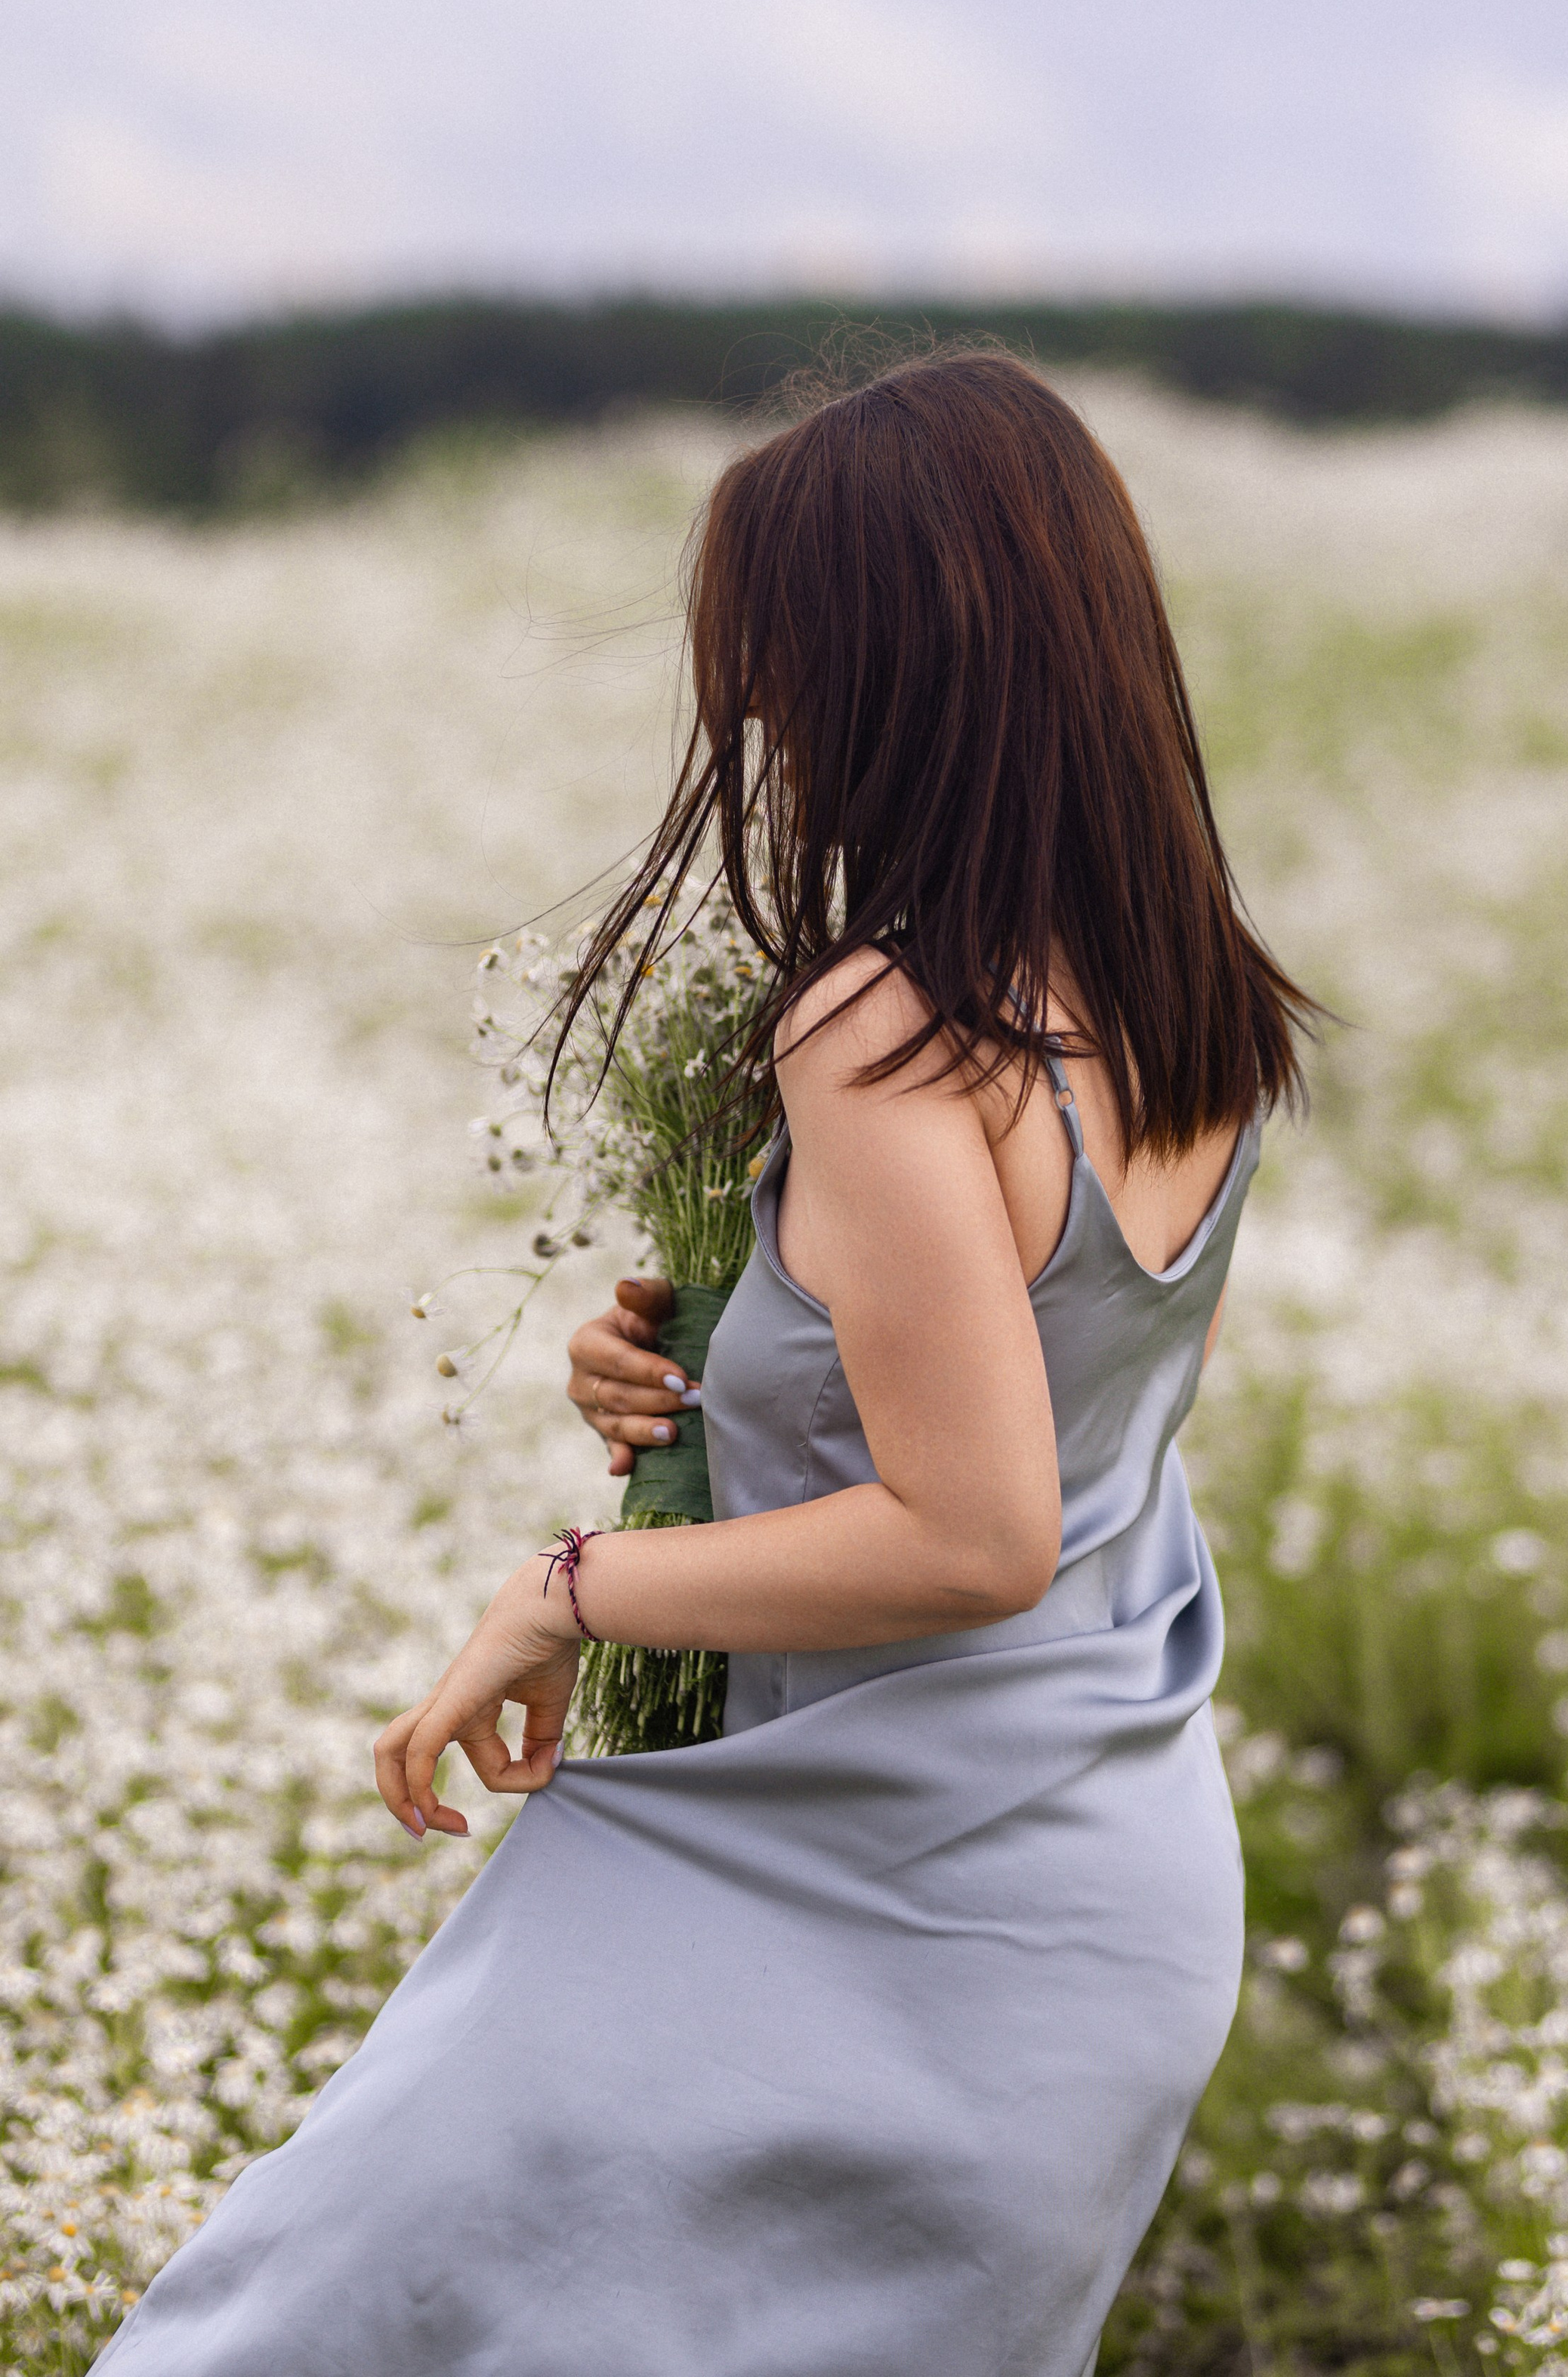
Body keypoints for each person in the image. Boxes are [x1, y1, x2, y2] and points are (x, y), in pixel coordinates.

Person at [106, 350, 1313, 2377]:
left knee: (307, 2319)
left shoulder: (893, 1028)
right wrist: (722, 1369)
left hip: (875, 1885)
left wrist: (570, 1586)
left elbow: (974, 1526)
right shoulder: (1190, 995)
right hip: (1091, 1889)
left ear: (898, 670)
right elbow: (1051, 1397)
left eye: (781, 671)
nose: (756, 725)